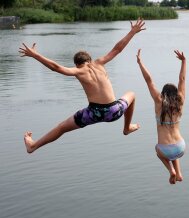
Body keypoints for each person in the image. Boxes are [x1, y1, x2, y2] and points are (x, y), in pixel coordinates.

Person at [19, 19, 146, 153]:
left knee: (61, 127)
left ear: (76, 64)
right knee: (131, 94)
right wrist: (132, 32)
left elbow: (55, 67)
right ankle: (127, 128)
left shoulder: (77, 71)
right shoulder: (99, 63)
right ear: (89, 60)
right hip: (113, 111)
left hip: (93, 114)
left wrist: (35, 55)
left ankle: (33, 146)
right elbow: (118, 49)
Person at [136, 49, 186, 185]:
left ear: (163, 94)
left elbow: (149, 80)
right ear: (176, 94)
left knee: (157, 150)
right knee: (174, 152)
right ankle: (179, 174)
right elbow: (182, 79)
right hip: (181, 147)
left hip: (164, 150)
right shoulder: (180, 101)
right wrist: (184, 62)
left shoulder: (159, 102)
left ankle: (171, 171)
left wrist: (140, 63)